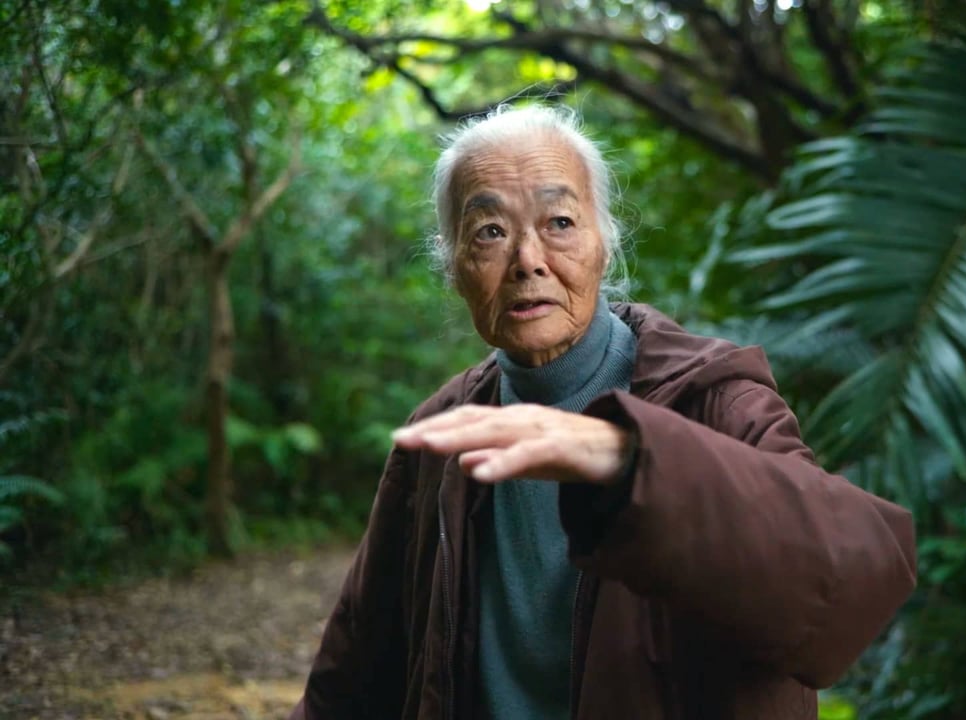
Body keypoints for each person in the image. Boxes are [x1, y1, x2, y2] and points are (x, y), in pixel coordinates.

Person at [290, 104, 916, 720]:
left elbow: (857, 581)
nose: (528, 260)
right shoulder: (439, 436)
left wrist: (630, 460)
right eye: (489, 232)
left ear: (604, 243)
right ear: (452, 263)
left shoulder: (716, 400)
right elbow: (353, 677)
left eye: (560, 222)